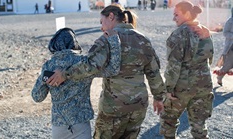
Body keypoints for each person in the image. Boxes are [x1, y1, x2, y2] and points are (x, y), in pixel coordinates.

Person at [47, 4, 166, 139]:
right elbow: (154, 72)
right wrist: (158, 97)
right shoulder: (143, 39)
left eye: (102, 22)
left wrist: (64, 74)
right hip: (138, 106)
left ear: (111, 17)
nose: (101, 27)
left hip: (114, 107)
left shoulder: (106, 40)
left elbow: (90, 66)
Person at [31, 27, 121, 139]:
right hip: (81, 124)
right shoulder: (83, 62)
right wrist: (113, 40)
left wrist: (44, 77)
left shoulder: (49, 66)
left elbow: (37, 97)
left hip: (59, 126)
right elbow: (113, 69)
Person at [159, 1, 214, 139]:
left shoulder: (178, 34)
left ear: (187, 14)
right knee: (199, 126)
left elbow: (174, 65)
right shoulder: (205, 31)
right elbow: (210, 59)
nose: (173, 18)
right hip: (203, 85)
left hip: (181, 87)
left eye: (176, 15)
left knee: (168, 122)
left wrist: (168, 89)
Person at [214, 7, 233, 86]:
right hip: (231, 48)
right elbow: (225, 33)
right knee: (228, 65)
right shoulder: (230, 21)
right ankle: (220, 77)